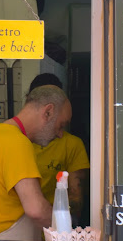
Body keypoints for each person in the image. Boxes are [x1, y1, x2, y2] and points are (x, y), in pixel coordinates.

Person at [0, 85, 72, 241]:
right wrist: (70, 236)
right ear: (48, 112)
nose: (61, 135)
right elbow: (36, 210)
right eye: (61, 126)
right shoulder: (17, 142)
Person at [28, 73, 90, 228]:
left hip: (55, 234)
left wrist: (63, 225)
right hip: (22, 232)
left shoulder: (72, 144)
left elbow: (76, 198)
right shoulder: (17, 142)